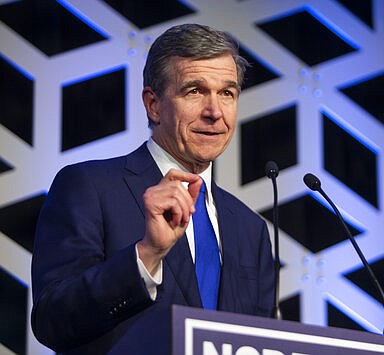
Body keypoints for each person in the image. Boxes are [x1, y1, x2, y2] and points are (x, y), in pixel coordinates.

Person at [31, 24, 275, 354]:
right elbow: (53, 321)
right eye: (195, 91)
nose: (214, 112)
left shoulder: (251, 228)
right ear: (153, 104)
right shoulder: (89, 187)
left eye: (227, 93)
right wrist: (146, 254)